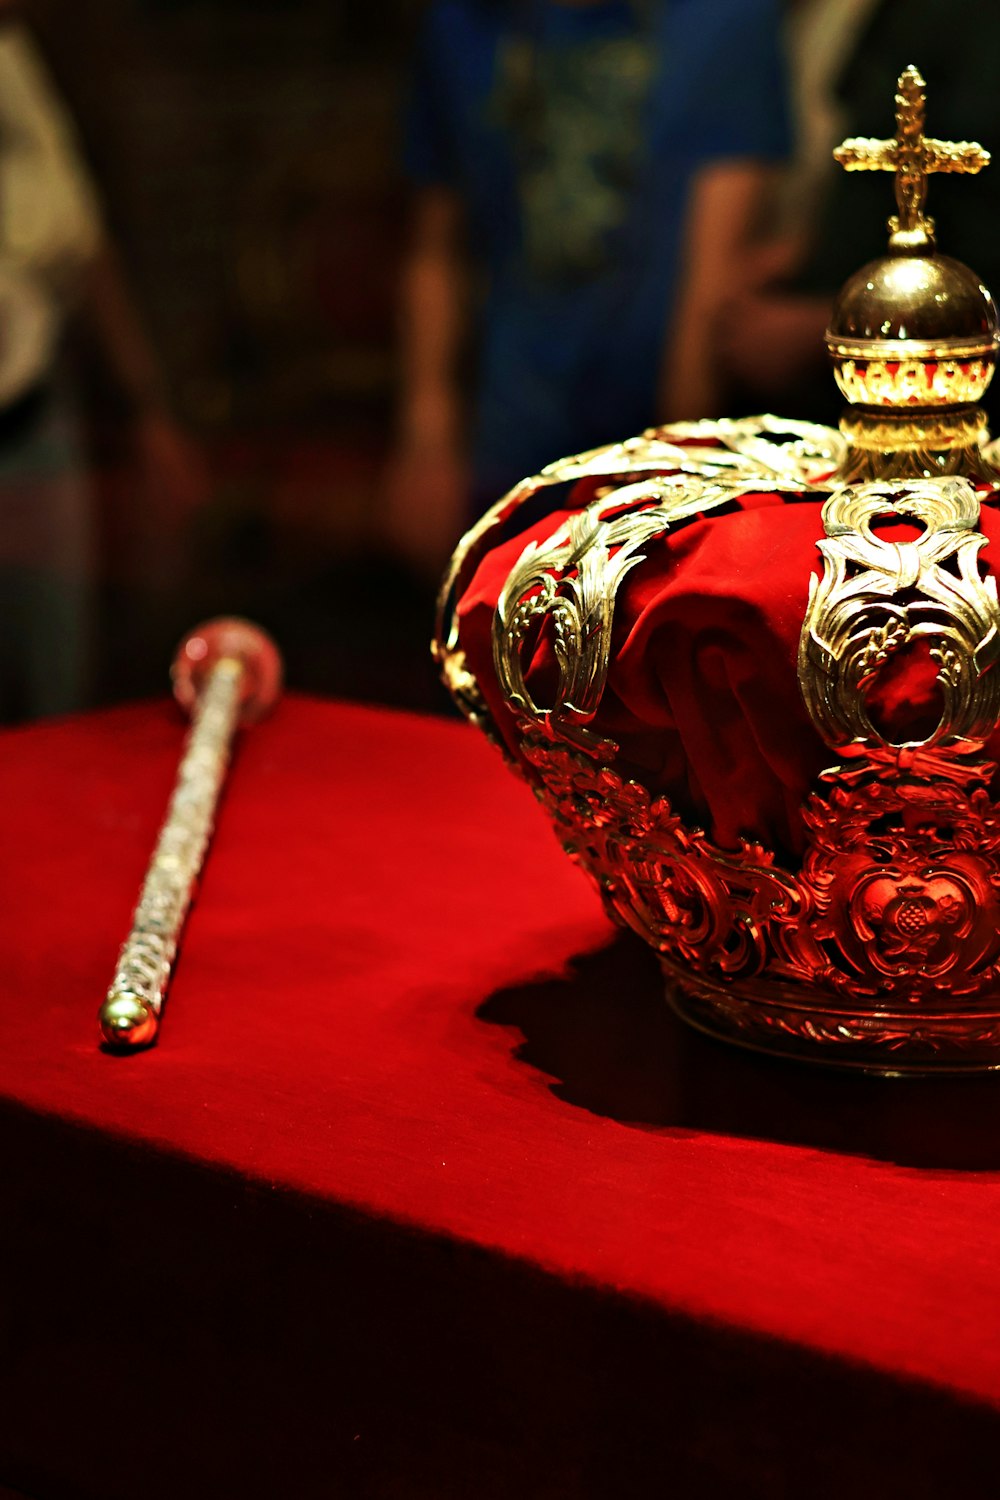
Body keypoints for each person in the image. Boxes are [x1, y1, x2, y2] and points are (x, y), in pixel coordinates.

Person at [385, 0, 792, 577]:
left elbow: (713, 279)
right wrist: (428, 437)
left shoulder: (724, 19)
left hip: (660, 449)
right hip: (508, 438)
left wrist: (677, 482)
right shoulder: (464, 23)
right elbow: (435, 247)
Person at [0, 8, 205, 721]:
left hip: (31, 423)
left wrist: (149, 413)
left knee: (62, 690)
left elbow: (84, 245)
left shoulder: (15, 59)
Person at [718, 0, 1000, 427]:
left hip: (936, 369)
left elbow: (978, 210)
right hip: (834, 355)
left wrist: (817, 329)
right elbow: (858, 174)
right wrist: (791, 257)